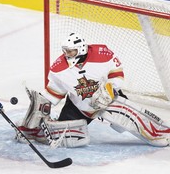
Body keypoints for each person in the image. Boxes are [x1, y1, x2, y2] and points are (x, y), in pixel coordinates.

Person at [17, 33, 170, 148]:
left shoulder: (101, 53)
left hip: (108, 99)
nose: (66, 54)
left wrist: (110, 88)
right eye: (65, 51)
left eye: (70, 51)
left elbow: (116, 73)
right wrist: (40, 105)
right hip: (78, 106)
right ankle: (32, 131)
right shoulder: (59, 68)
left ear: (81, 48)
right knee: (62, 134)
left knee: (133, 118)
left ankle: (160, 132)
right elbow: (54, 93)